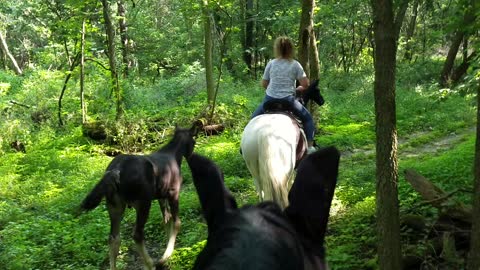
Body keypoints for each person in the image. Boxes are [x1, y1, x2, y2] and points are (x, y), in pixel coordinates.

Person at [251, 36, 316, 153]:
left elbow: (264, 83)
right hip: (288, 101)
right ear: (291, 49)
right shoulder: (295, 64)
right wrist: (299, 88)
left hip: (269, 99)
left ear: (277, 49)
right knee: (308, 119)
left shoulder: (271, 63)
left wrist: (273, 88)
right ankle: (310, 147)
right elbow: (305, 84)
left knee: (253, 119)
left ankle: (243, 146)